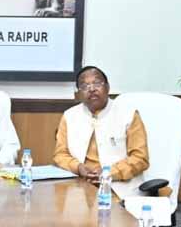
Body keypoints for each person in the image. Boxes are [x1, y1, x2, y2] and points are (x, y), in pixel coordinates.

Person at [53, 66, 149, 194]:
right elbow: (60, 155)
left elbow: (140, 159)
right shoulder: (69, 116)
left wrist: (109, 172)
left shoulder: (128, 114)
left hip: (119, 186)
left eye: (97, 83)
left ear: (108, 87)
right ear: (78, 93)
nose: (92, 89)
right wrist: (78, 167)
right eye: (84, 86)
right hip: (80, 184)